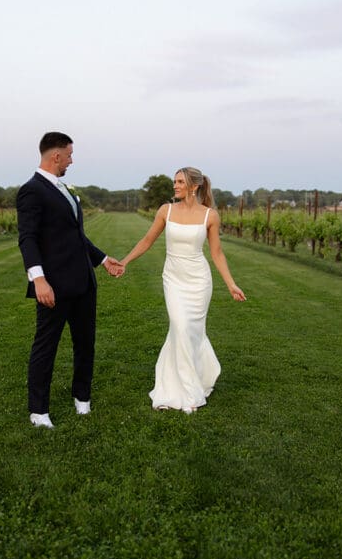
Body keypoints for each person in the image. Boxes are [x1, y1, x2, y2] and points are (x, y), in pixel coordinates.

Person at [17, 131, 124, 429]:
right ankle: (38, 411)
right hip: (53, 287)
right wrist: (39, 280)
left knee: (85, 343)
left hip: (84, 283)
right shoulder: (32, 191)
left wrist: (102, 260)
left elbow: (76, 237)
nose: (71, 160)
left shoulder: (63, 188)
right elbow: (27, 239)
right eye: (69, 155)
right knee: (46, 346)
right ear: (56, 156)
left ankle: (82, 397)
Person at [119, 167, 246, 413]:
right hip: (173, 279)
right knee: (180, 325)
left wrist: (231, 284)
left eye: (179, 182)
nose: (175, 186)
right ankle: (185, 391)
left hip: (199, 281)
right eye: (174, 181)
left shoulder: (210, 215)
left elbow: (217, 253)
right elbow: (147, 241)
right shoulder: (165, 211)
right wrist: (124, 262)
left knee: (190, 333)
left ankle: (191, 387)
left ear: (194, 186)